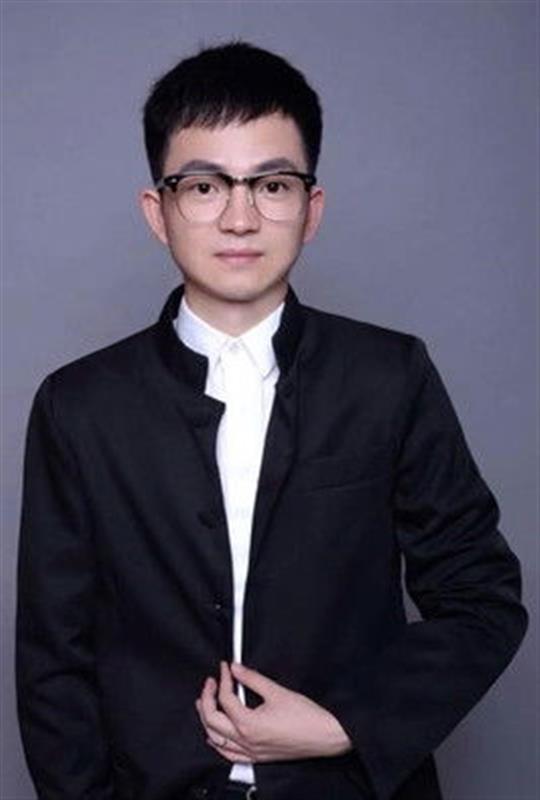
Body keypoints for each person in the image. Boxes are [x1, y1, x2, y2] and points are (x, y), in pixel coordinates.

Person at [16, 40, 528, 800]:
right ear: (158, 211)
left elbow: (481, 597)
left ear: (310, 209)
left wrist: (347, 722)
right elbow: (53, 659)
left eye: (273, 184)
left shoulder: (388, 377)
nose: (240, 217)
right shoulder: (79, 404)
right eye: (203, 186)